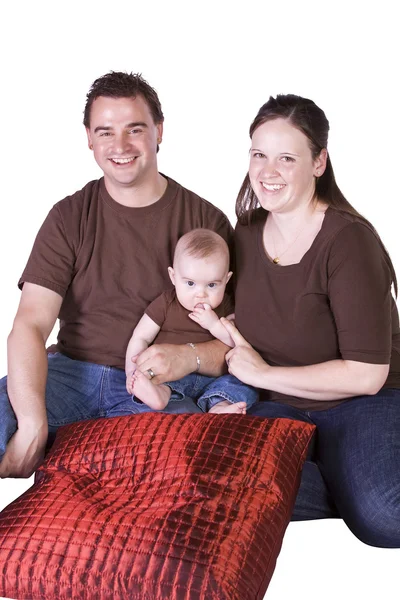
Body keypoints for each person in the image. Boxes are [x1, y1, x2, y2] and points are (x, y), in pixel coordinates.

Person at [0, 71, 234, 479]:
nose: (120, 146)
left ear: (159, 132)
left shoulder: (205, 222)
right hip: (71, 375)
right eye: (105, 132)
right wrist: (33, 423)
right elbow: (30, 325)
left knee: (204, 468)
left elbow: (236, 340)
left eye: (135, 129)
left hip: (161, 387)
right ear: (89, 138)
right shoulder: (69, 216)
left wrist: (187, 357)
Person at [220, 93, 400, 548]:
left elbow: (366, 375)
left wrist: (263, 373)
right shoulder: (244, 233)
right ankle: (346, 476)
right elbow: (226, 318)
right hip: (279, 406)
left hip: (362, 403)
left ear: (319, 162)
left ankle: (360, 477)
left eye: (286, 157)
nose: (267, 171)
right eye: (258, 154)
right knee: (225, 493)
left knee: (384, 516)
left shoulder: (348, 242)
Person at [125, 228, 257, 413]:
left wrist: (214, 325)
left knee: (243, 381)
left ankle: (220, 405)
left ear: (226, 280)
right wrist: (132, 372)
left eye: (212, 285)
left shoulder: (226, 305)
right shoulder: (166, 303)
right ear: (173, 277)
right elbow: (140, 337)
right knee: (164, 378)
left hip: (215, 377)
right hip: (173, 373)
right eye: (190, 283)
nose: (200, 294)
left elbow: (237, 343)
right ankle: (159, 394)